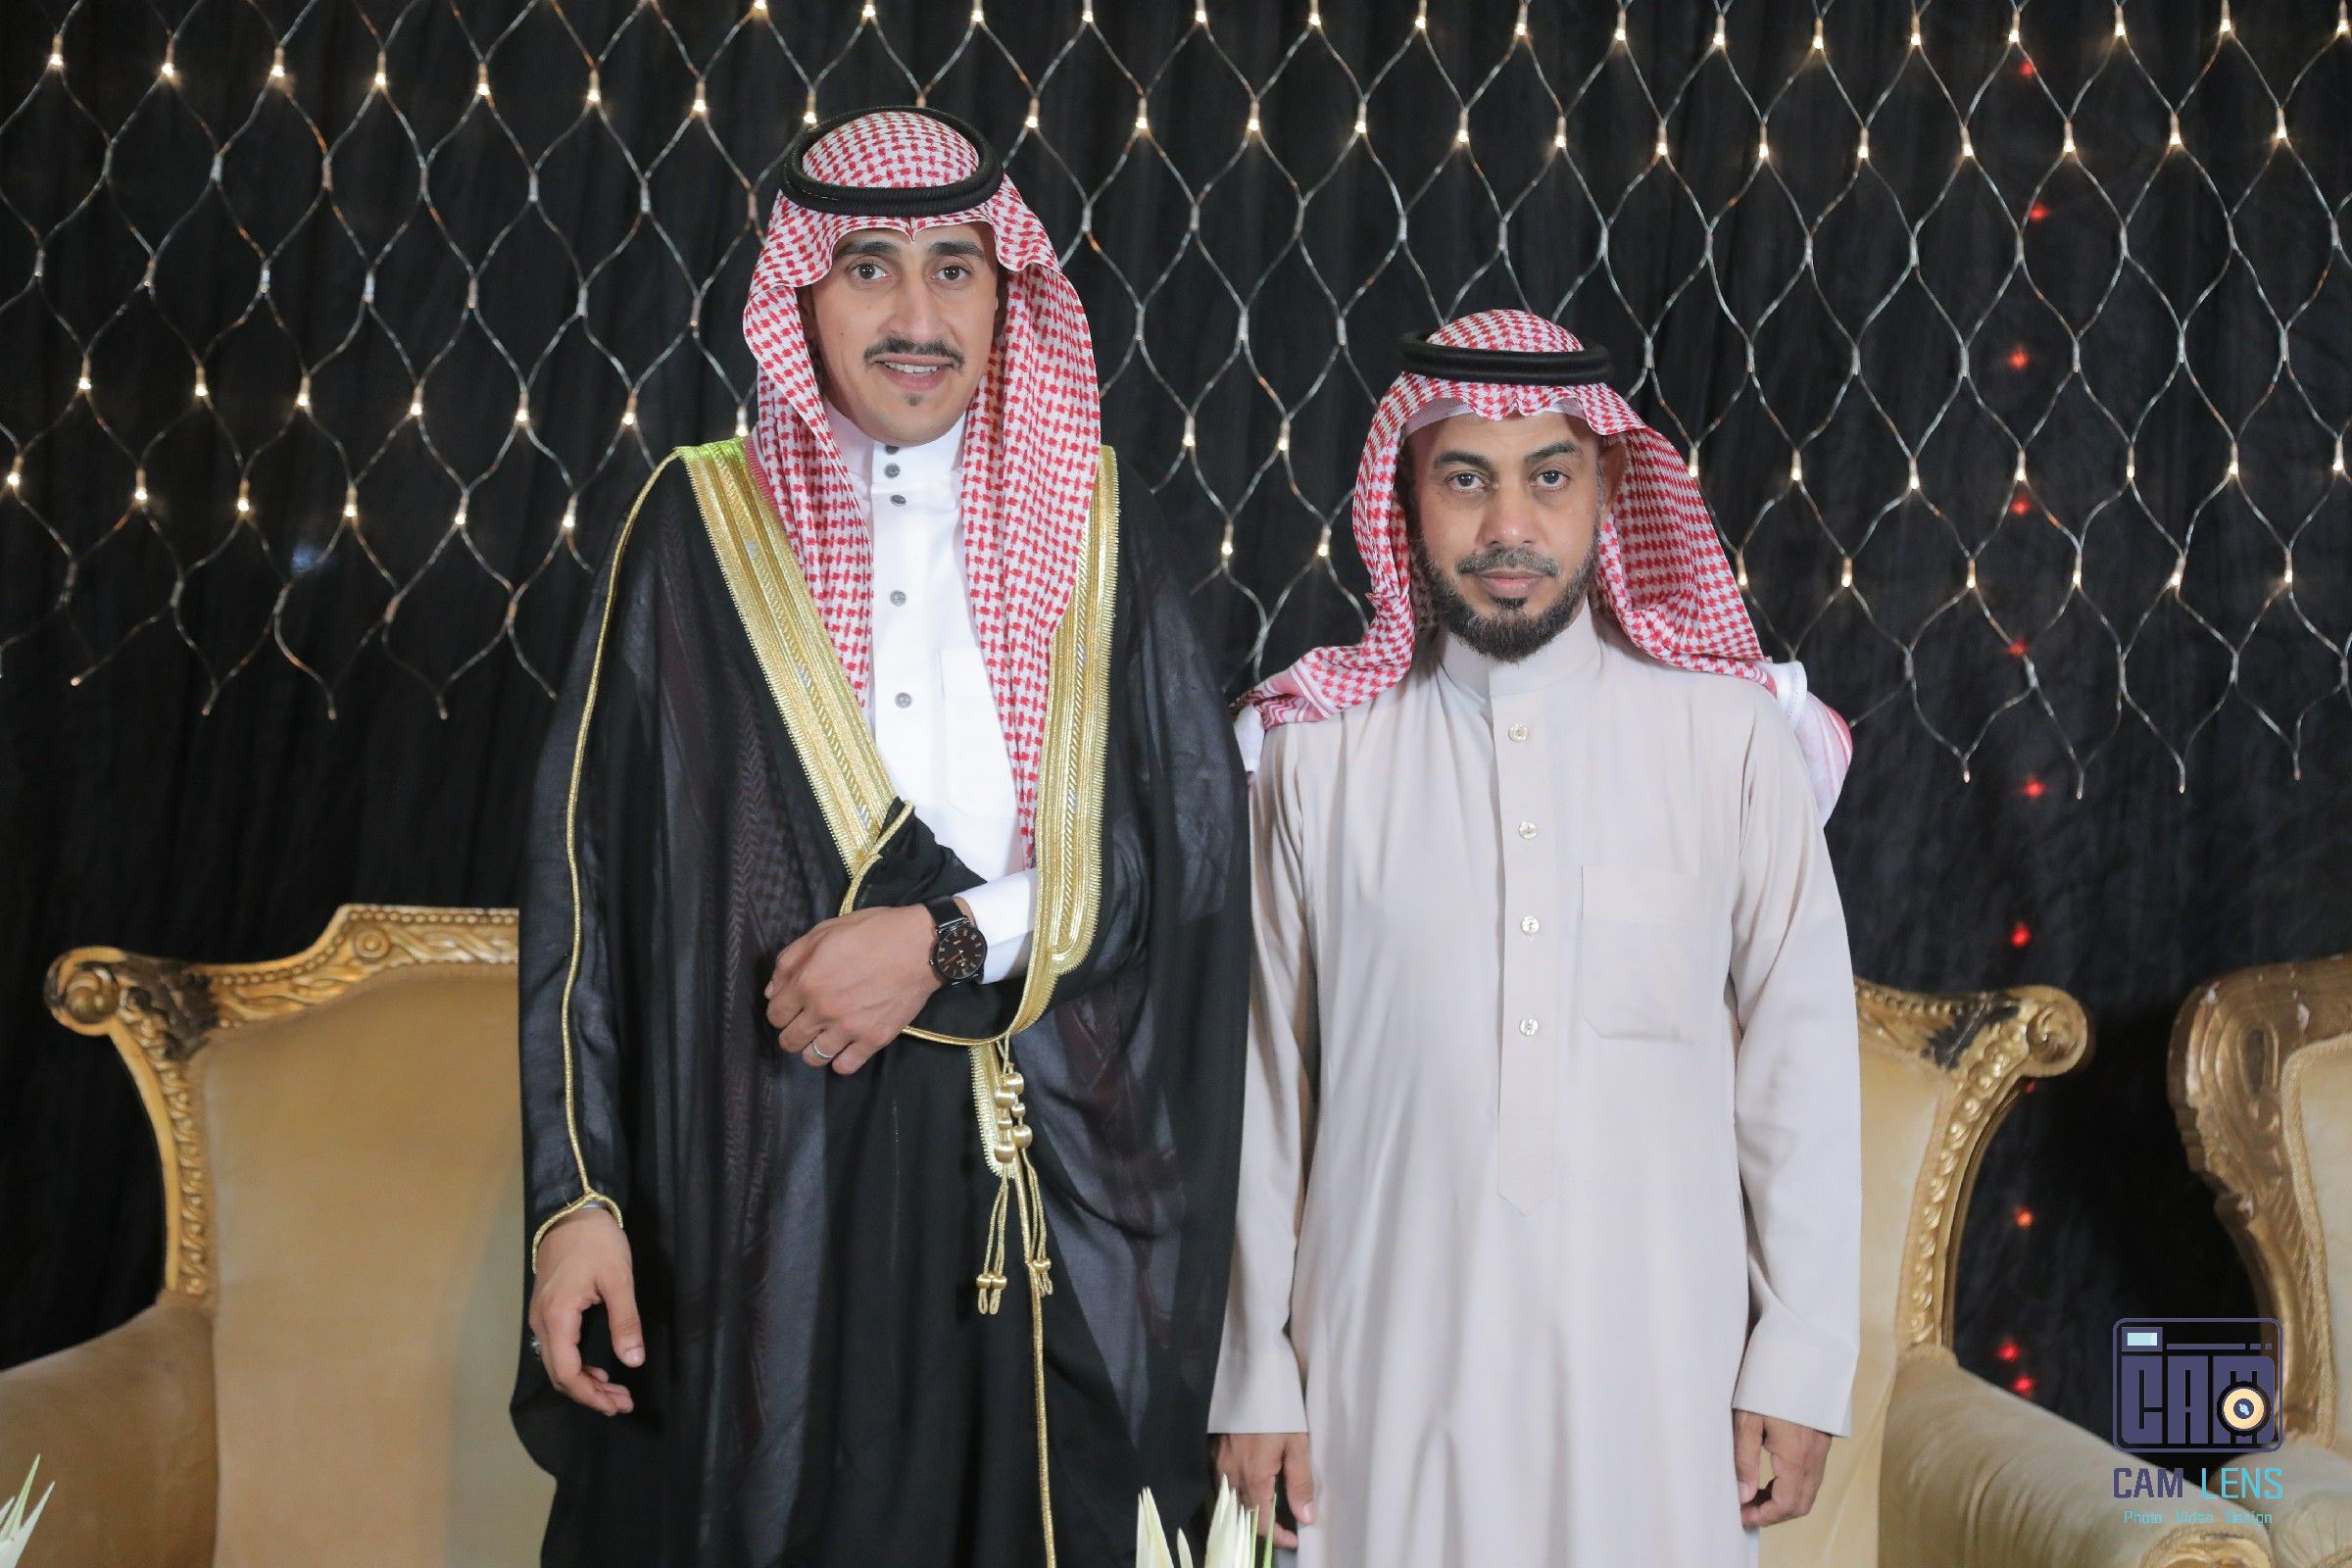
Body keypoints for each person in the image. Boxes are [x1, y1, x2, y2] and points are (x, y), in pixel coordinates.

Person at [512, 106, 1249, 1568]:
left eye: (954, 269)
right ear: (802, 293)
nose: (918, 315)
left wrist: (948, 938)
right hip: (758, 1186)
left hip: (1042, 1192)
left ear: (1004, 292)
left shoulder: (1099, 526)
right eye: (869, 268)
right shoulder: (698, 529)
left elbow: (1189, 853)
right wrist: (573, 1205)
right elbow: (585, 895)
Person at [1207, 309, 1862, 1565]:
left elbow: (1803, 1070)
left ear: (1608, 485)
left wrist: (1799, 1356)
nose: (1509, 526)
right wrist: (1253, 1371)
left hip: (1660, 1398)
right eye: (1466, 480)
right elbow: (1258, 1091)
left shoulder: (1728, 741)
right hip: (1373, 1390)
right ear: (1408, 494)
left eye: (1549, 478)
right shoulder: (1314, 758)